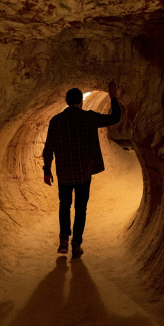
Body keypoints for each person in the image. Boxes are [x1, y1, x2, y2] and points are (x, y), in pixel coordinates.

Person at [42, 81, 121, 258]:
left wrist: (46, 170)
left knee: (64, 205)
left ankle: (63, 241)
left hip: (64, 174)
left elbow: (49, 148)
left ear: (67, 102)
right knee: (80, 208)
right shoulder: (89, 118)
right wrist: (113, 96)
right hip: (84, 173)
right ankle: (76, 245)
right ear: (81, 101)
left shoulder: (56, 121)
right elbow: (115, 117)